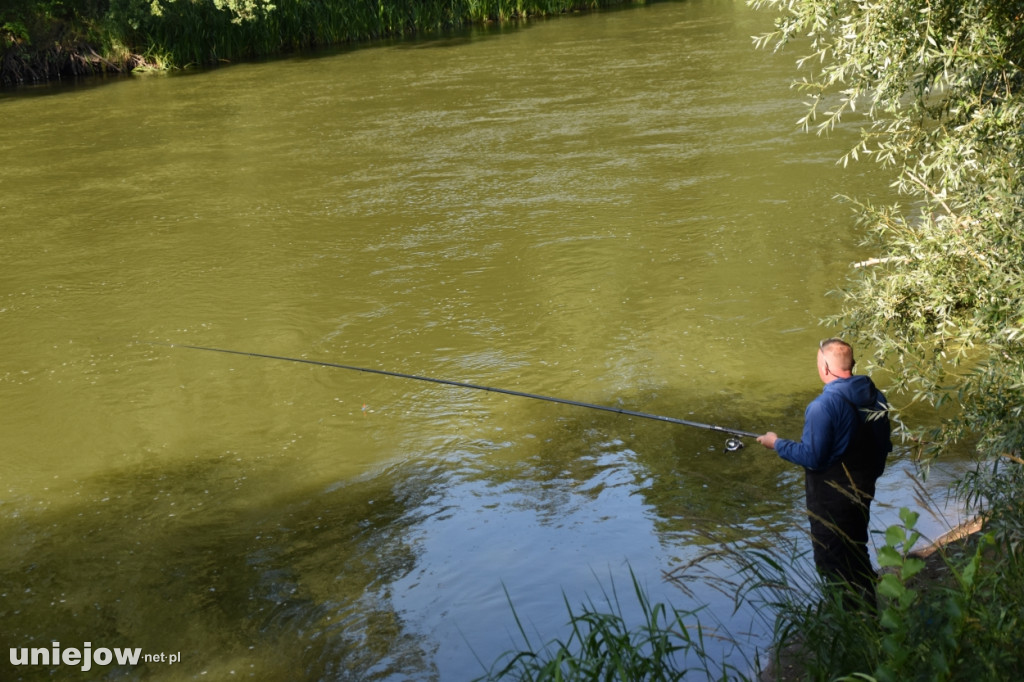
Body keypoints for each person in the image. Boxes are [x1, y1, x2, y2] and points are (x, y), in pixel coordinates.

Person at [757, 338, 892, 609]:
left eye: (818, 362)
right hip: (863, 489)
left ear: (826, 368)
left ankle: (849, 625)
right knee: (856, 549)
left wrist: (777, 444)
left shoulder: (823, 406)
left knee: (831, 561)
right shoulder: (876, 397)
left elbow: (812, 457)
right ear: (851, 365)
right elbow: (884, 444)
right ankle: (870, 613)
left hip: (832, 500)